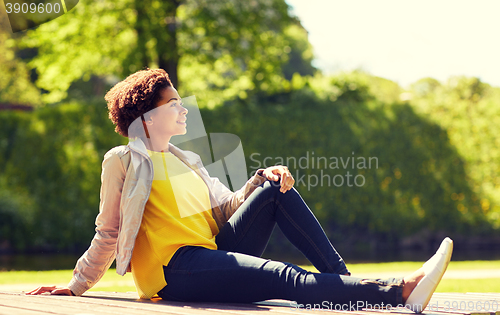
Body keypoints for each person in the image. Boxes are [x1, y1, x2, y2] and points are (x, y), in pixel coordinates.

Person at [28, 68, 453, 313]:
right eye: (172, 104)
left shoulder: (185, 159)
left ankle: (343, 284)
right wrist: (76, 284)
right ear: (146, 117)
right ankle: (399, 290)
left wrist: (258, 179)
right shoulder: (122, 160)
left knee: (274, 190)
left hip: (209, 249)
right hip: (173, 271)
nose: (182, 108)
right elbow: (109, 230)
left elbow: (225, 208)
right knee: (285, 276)